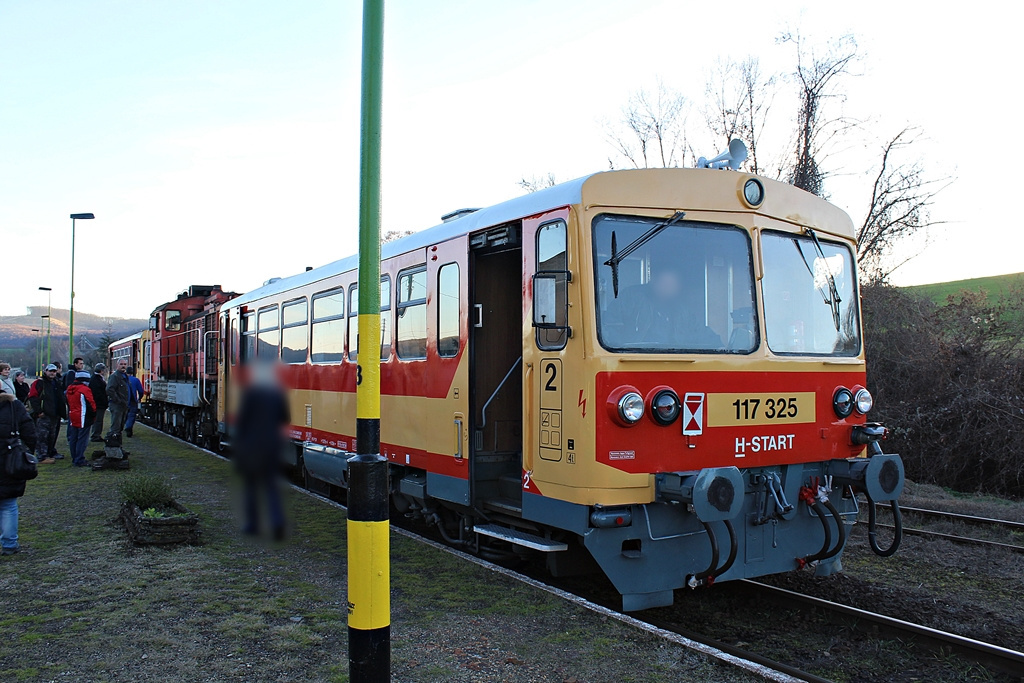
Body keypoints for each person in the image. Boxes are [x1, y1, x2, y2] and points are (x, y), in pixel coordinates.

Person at [234, 361, 289, 541]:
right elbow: (284, 418)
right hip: (272, 445)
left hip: (252, 445)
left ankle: (253, 525)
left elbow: (243, 422)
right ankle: (277, 522)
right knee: (271, 485)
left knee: (251, 486)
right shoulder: (277, 394)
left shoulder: (251, 394)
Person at [0, 391, 38, 555]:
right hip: (10, 460)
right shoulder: (13, 406)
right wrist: (26, 451)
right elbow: (29, 431)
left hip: (9, 457)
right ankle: (9, 544)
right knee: (8, 505)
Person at [26, 364, 65, 465]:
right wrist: (38, 411)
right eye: (50, 371)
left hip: (55, 414)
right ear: (45, 371)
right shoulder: (39, 383)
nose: (52, 373)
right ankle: (42, 456)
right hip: (44, 414)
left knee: (52, 436)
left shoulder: (56, 382)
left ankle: (50, 452)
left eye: (54, 371)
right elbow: (33, 397)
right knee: (42, 436)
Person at [65, 371, 96, 467]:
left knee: (74, 438)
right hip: (83, 417)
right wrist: (93, 415)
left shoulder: (70, 389)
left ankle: (74, 457)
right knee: (82, 439)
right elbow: (91, 404)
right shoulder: (84, 389)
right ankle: (79, 459)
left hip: (73, 416)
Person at [105, 358, 129, 441]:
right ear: (117, 365)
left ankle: (117, 443)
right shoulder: (114, 376)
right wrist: (118, 400)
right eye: (121, 364)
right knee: (116, 425)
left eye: (125, 364)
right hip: (117, 405)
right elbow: (109, 390)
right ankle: (113, 443)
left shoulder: (125, 377)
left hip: (123, 405)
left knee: (121, 426)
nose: (123, 366)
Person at [89, 364, 108, 443]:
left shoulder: (94, 378)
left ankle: (96, 434)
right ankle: (95, 435)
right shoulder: (97, 379)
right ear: (101, 370)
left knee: (98, 420)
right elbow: (98, 393)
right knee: (98, 420)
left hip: (98, 403)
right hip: (99, 404)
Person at [124, 367, 144, 438]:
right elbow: (141, 391)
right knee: (132, 415)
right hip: (133, 400)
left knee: (124, 414)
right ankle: (129, 427)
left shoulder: (122, 379)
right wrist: (139, 398)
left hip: (124, 400)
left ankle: (125, 426)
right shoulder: (136, 380)